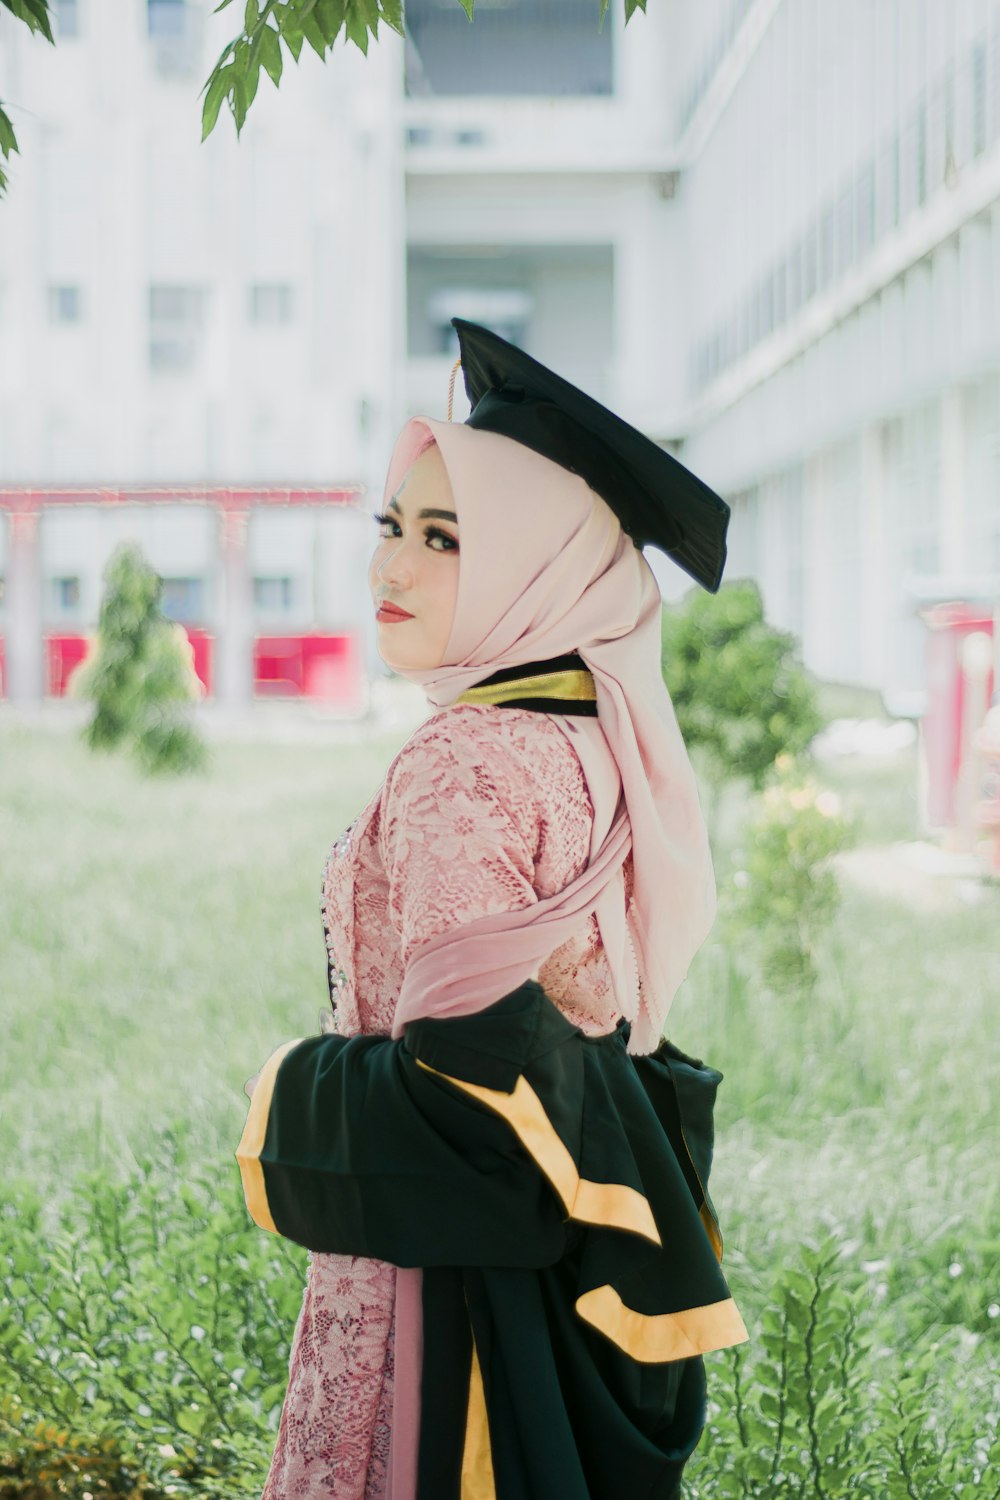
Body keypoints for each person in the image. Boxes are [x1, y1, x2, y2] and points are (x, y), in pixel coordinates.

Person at [237, 320, 749, 1500]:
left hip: (446, 1283)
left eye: (445, 538)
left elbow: (458, 1083)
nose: (390, 570)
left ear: (537, 564)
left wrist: (289, 1086)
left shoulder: (462, 759)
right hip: (573, 1248)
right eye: (391, 526)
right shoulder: (600, 732)